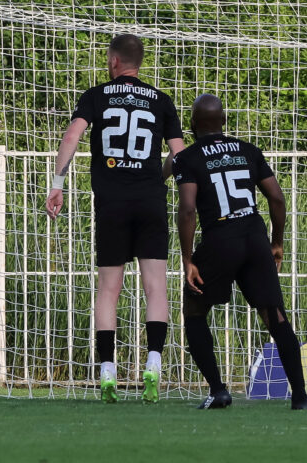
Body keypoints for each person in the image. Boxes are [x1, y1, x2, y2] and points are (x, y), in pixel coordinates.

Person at [46, 34, 184, 403]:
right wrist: (160, 176)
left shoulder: (96, 95)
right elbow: (180, 154)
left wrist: (57, 183)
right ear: (139, 62)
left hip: (112, 204)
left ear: (113, 61)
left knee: (109, 288)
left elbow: (73, 133)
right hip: (151, 200)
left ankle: (107, 370)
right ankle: (153, 362)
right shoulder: (161, 100)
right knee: (155, 285)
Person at [173, 94, 307, 410]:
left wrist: (187, 260)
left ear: (192, 125)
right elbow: (276, 199)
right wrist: (276, 243)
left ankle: (218, 390)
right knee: (275, 315)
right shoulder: (248, 151)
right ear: (224, 121)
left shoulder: (188, 158)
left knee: (194, 310)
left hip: (221, 239)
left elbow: (188, 210)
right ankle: (301, 397)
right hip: (254, 235)